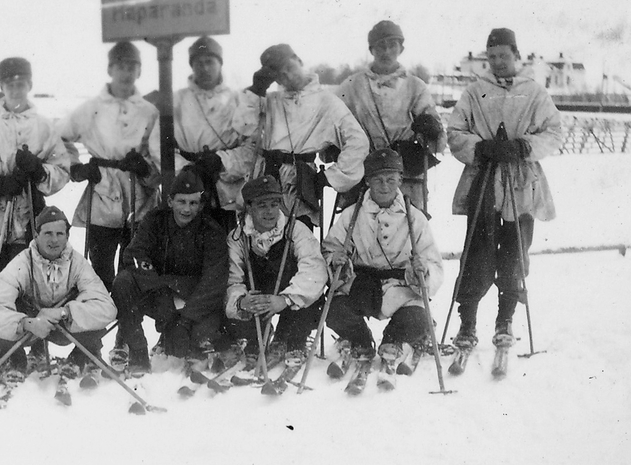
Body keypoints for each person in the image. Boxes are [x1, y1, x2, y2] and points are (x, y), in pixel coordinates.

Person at [446, 27, 563, 347]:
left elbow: (554, 132)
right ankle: (467, 324)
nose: (498, 62)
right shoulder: (474, 91)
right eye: (492, 56)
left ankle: (505, 320)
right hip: (483, 179)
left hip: (522, 182)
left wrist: (524, 147)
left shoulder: (534, 92)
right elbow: (454, 132)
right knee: (476, 253)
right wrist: (480, 148)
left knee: (515, 252)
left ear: (516, 56)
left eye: (504, 56)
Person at [225, 43, 368, 231]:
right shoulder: (271, 100)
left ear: (299, 61)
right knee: (259, 241)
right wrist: (255, 91)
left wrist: (331, 177)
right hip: (265, 175)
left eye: (290, 68)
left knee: (299, 240)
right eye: (280, 75)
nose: (288, 77)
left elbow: (358, 142)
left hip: (299, 182)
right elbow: (243, 127)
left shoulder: (327, 102)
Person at [322, 149, 444, 368]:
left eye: (390, 179)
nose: (384, 186)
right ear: (367, 181)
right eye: (377, 180)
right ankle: (360, 339)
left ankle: (393, 340)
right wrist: (336, 259)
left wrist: (423, 270)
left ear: (400, 179)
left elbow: (433, 262)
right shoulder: (352, 214)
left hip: (399, 286)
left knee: (418, 319)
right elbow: (330, 248)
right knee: (333, 311)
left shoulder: (414, 217)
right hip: (362, 285)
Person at [58, 40, 162, 291]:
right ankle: (98, 319)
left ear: (139, 72)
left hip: (139, 197)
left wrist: (145, 168)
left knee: (133, 269)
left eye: (132, 67)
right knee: (100, 268)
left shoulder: (149, 112)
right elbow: (58, 138)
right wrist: (76, 168)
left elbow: (160, 155)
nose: (126, 73)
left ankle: (129, 327)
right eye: (120, 67)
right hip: (102, 196)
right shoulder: (91, 109)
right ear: (110, 70)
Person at [0, 57, 71, 276]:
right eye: (10, 85)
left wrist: (38, 171)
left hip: (27, 216)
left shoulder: (43, 126)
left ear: (30, 86)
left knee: (24, 280)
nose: (15, 91)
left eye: (21, 85)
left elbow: (62, 169)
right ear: (1, 87)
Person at [0, 206, 117, 379]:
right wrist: (25, 322)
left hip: (64, 327)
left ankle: (79, 358)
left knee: (90, 308)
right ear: (36, 236)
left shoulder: (78, 264)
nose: (54, 240)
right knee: (9, 306)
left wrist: (65, 312)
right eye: (48, 233)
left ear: (67, 237)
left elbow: (106, 307)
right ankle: (15, 360)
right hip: (32, 327)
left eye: (60, 234)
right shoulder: (22, 263)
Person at [111, 167, 230, 373]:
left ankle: (197, 348)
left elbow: (214, 282)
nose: (186, 209)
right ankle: (138, 353)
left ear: (201, 206)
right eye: (181, 202)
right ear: (169, 201)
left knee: (188, 346)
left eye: (193, 203)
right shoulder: (155, 220)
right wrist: (157, 288)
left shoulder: (212, 231)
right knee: (123, 282)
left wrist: (186, 320)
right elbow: (135, 254)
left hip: (193, 298)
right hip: (158, 293)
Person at [337, 20, 445, 213]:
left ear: (401, 48)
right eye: (380, 46)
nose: (386, 52)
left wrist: (432, 130)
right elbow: (334, 121)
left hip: (404, 172)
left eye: (392, 45)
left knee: (406, 229)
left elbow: (436, 139)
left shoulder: (415, 86)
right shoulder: (352, 85)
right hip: (364, 170)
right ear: (371, 50)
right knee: (361, 230)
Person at [224, 175, 328, 364]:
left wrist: (285, 299)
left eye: (274, 204)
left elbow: (314, 270)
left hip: (290, 301)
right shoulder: (238, 237)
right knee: (239, 316)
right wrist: (241, 302)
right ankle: (257, 339)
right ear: (249, 207)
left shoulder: (295, 229)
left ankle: (288, 341)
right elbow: (233, 279)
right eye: (262, 205)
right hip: (260, 301)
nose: (270, 211)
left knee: (309, 304)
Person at [172, 35, 260, 231]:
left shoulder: (238, 100)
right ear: (191, 66)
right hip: (187, 188)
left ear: (220, 64)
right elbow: (160, 145)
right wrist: (186, 170)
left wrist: (222, 161)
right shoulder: (176, 101)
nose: (204, 69)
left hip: (224, 191)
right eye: (198, 63)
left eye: (209, 62)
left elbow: (252, 146)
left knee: (224, 246)